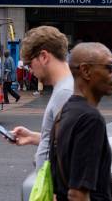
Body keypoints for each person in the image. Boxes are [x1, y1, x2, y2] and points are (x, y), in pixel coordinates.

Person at [50, 42, 112, 201]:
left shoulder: (64, 112)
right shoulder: (90, 119)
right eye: (109, 67)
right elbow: (78, 195)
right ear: (86, 71)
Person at [11, 26, 74, 172]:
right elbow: (62, 141)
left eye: (29, 64)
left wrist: (57, 195)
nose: (30, 71)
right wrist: (32, 137)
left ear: (44, 57)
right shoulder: (63, 88)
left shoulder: (65, 93)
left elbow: (73, 152)